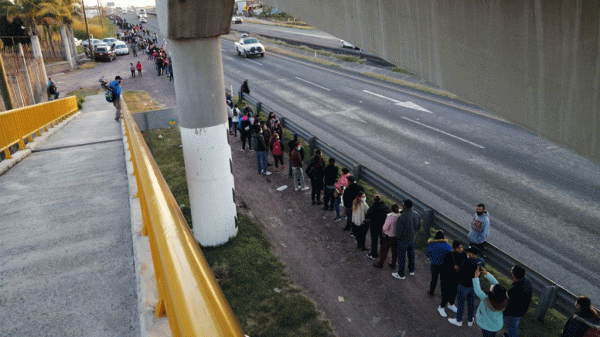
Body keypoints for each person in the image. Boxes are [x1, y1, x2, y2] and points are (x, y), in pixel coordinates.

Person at [448, 246, 486, 327]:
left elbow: (461, 272)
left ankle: (458, 320)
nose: (467, 254)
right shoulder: (481, 261)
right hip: (474, 286)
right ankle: (470, 320)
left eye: (468, 252)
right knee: (471, 303)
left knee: (461, 303)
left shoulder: (468, 261)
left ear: (472, 254)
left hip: (464, 286)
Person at [473, 267, 508, 336]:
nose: (491, 287)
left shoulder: (485, 300)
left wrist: (476, 276)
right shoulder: (504, 300)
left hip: (486, 326)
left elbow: (477, 290)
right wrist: (486, 274)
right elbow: (497, 286)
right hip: (496, 325)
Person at [392, 199, 421, 280]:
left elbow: (399, 230)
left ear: (404, 206)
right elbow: (419, 226)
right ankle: (411, 270)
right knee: (411, 255)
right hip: (412, 239)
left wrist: (398, 238)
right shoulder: (417, 214)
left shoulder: (402, 217)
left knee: (402, 257)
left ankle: (401, 274)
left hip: (403, 239)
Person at [438, 241, 466, 317]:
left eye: (461, 247)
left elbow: (465, 265)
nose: (460, 249)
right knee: (446, 293)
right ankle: (441, 307)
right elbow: (443, 268)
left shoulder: (464, 254)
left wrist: (460, 268)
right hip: (447, 278)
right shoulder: (449, 255)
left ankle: (451, 304)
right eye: (458, 248)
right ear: (454, 248)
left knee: (454, 292)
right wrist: (452, 267)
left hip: (457, 278)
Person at [503, 265, 532, 337]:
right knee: (513, 325)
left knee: (512, 327)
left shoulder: (514, 291)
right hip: (521, 310)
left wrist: (504, 313)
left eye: (512, 271)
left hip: (513, 313)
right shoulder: (527, 281)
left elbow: (509, 305)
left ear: (514, 276)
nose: (510, 272)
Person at [373, 203, 401, 268]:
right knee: (394, 251)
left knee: (384, 250)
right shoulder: (400, 216)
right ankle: (393, 264)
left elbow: (385, 227)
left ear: (391, 209)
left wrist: (383, 230)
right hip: (396, 236)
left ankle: (381, 263)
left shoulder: (390, 216)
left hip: (389, 236)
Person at [425, 230, 452, 296]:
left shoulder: (432, 244)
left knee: (434, 279)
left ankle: (431, 292)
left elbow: (427, 254)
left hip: (434, 264)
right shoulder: (447, 246)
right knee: (443, 280)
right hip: (444, 265)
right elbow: (451, 256)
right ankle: (443, 294)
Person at [365, 195, 389, 260]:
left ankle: (374, 254)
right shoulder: (386, 206)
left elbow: (367, 216)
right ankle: (382, 254)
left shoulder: (373, 207)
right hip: (383, 226)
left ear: (374, 200)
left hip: (374, 226)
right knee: (382, 241)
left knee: (374, 240)